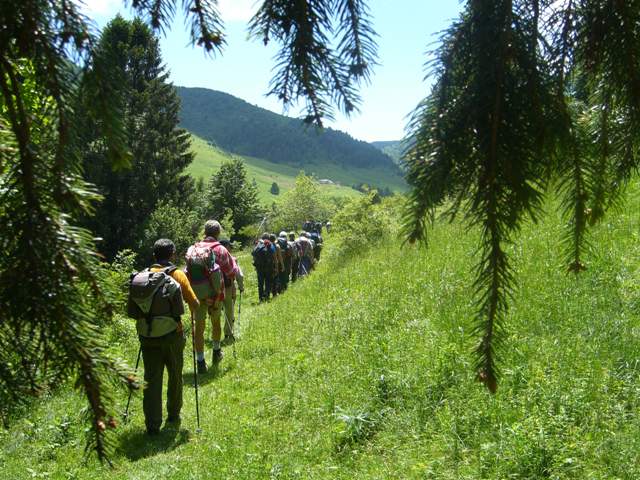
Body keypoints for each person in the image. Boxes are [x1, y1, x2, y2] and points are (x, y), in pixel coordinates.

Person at [127, 239, 199, 435]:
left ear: (153, 255)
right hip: (171, 335)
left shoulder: (140, 277)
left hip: (147, 336)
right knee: (175, 374)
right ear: (173, 254)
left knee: (151, 379)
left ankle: (152, 424)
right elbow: (194, 303)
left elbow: (132, 313)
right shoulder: (176, 275)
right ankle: (173, 414)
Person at [188, 220, 236, 373]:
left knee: (199, 328)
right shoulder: (221, 250)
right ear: (218, 233)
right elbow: (231, 271)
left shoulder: (193, 249)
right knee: (216, 323)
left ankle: (200, 361)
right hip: (215, 294)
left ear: (205, 231)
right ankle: (216, 352)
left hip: (198, 295)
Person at [218, 239, 244, 342]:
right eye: (230, 246)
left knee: (217, 311)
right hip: (229, 287)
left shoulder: (213, 258)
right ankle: (228, 333)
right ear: (226, 247)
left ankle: (216, 334)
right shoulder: (232, 259)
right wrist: (241, 287)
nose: (231, 248)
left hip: (215, 289)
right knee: (229, 311)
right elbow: (239, 275)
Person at [252, 233, 275, 302]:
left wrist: (256, 265)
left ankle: (261, 298)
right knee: (268, 281)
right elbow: (273, 255)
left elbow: (253, 255)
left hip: (259, 268)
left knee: (260, 283)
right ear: (268, 238)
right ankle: (267, 295)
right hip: (268, 267)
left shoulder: (257, 245)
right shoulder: (269, 244)